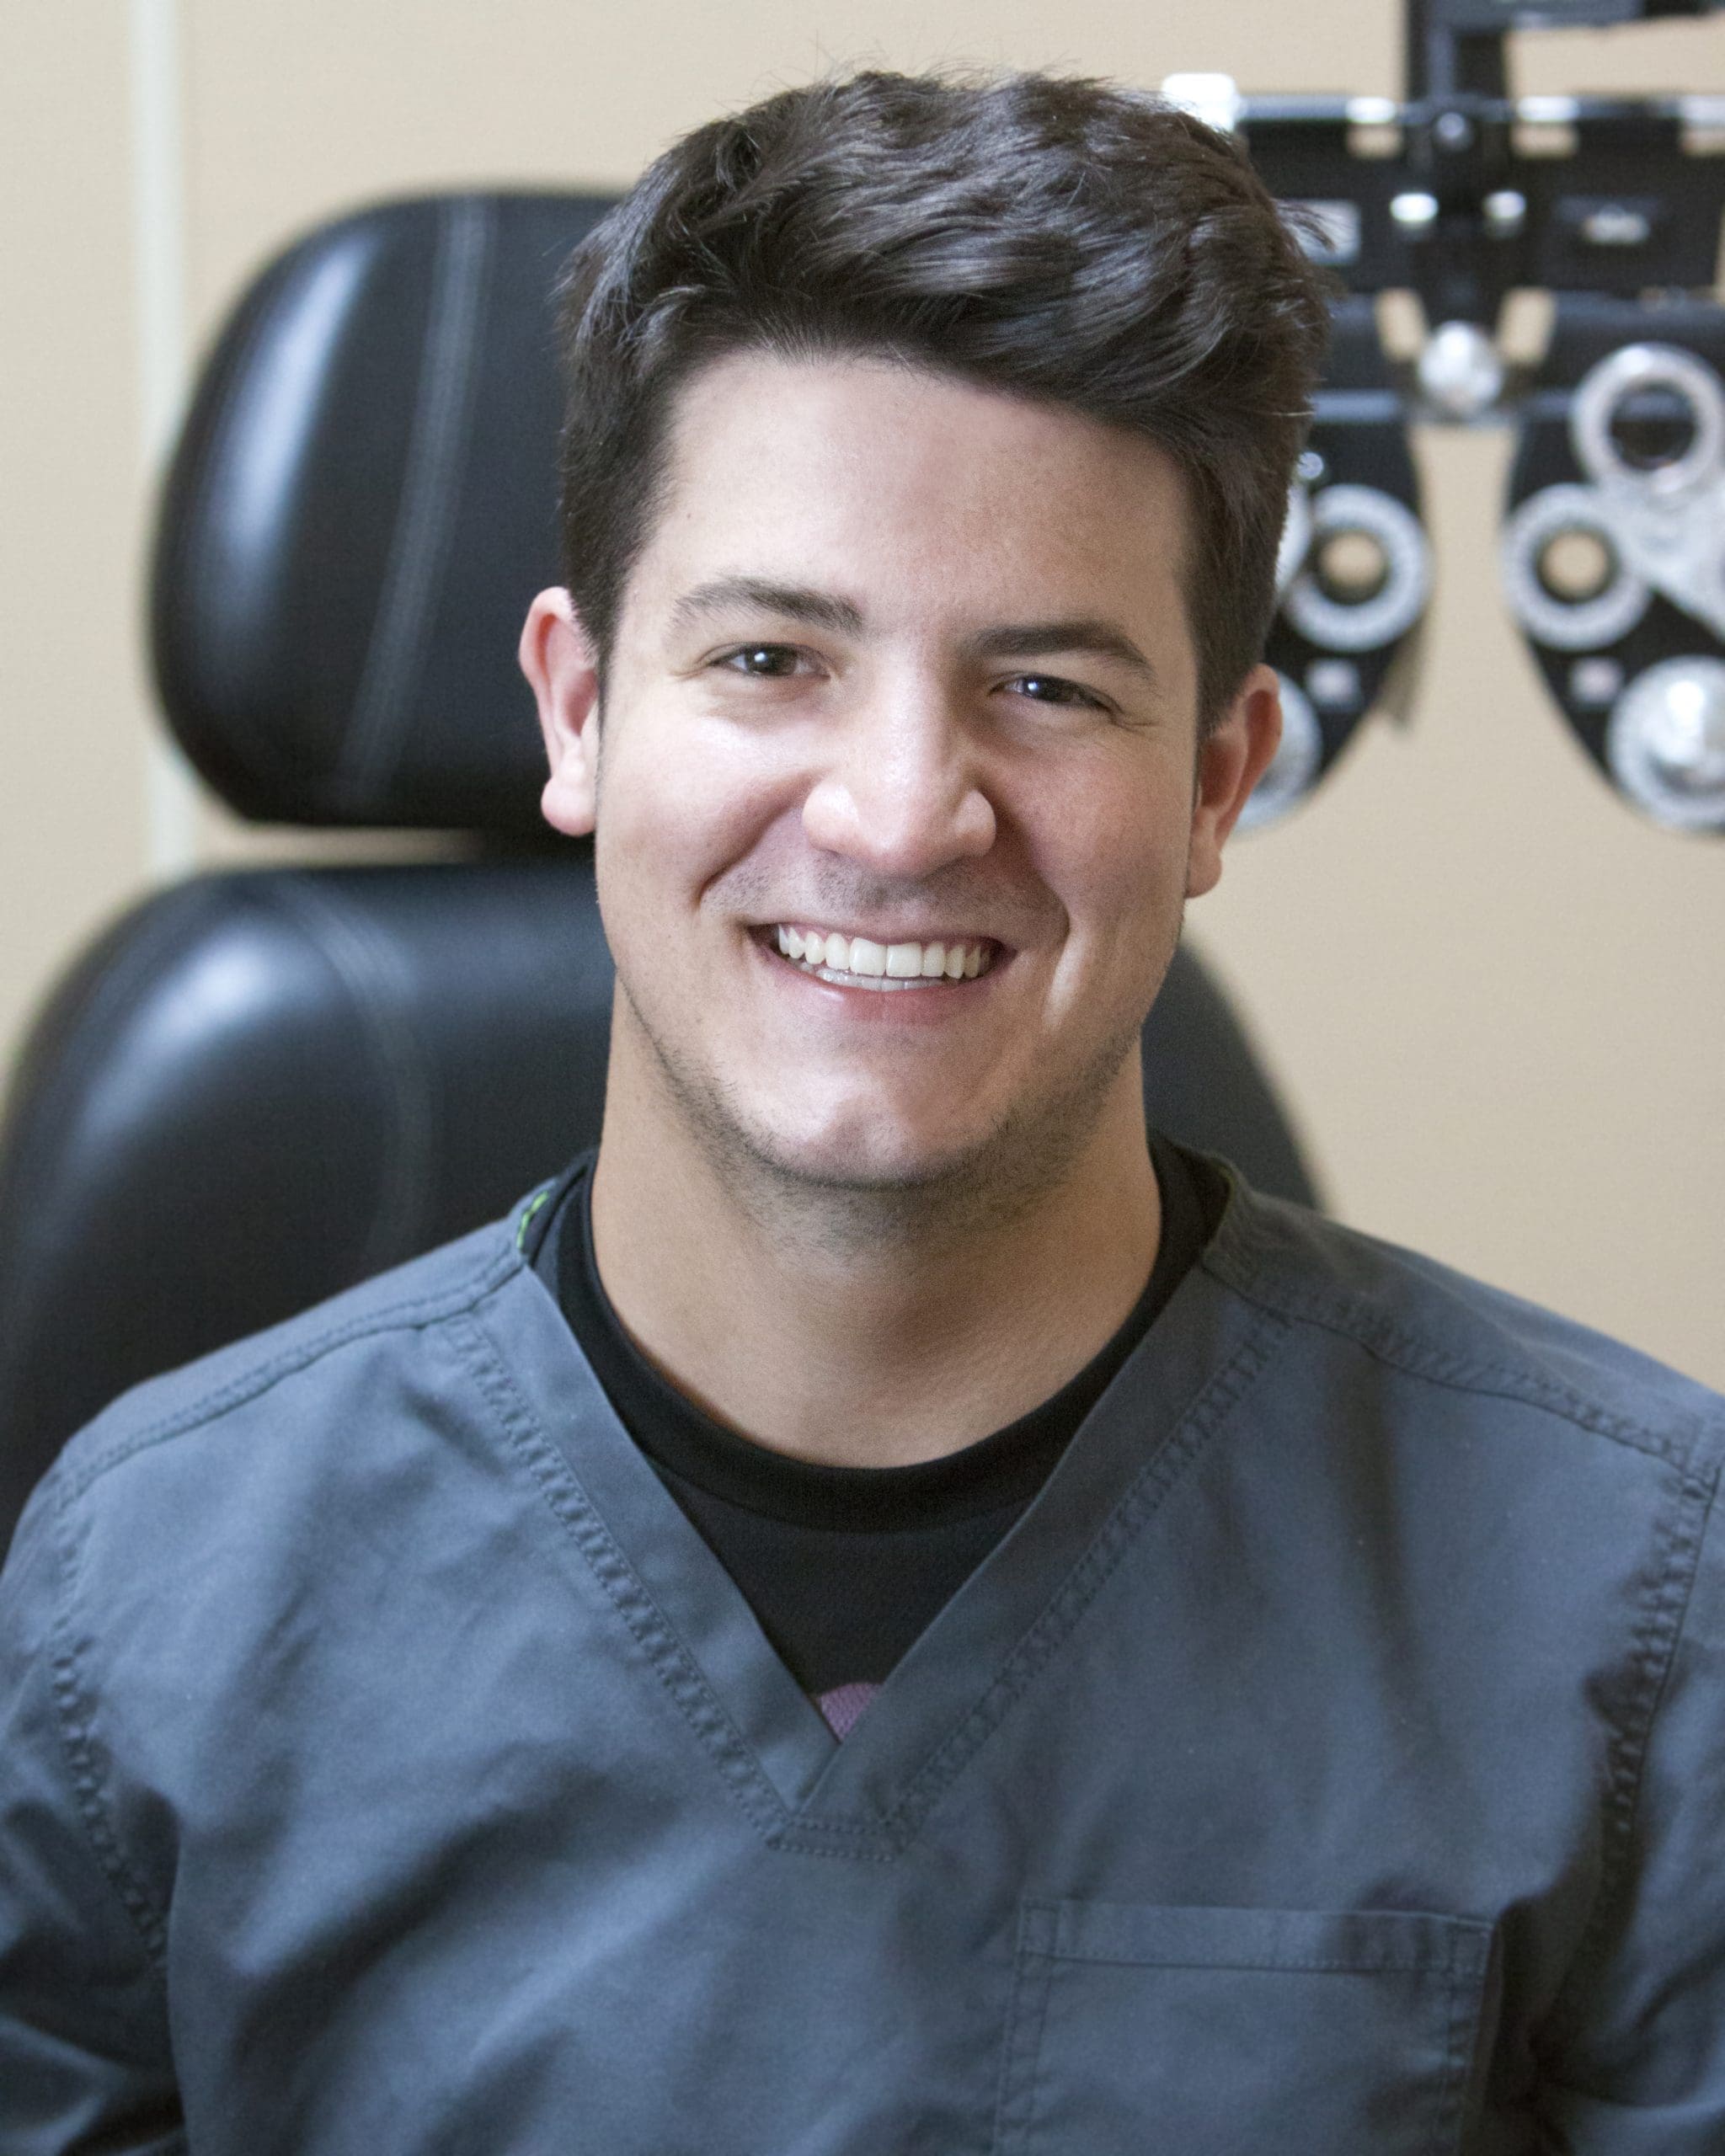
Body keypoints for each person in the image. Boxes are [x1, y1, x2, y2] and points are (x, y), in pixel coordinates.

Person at [3, 67, 1722, 2155]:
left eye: (1049, 685)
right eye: (769, 658)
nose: (901, 812)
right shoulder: (150, 1593)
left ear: (1215, 780)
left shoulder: (1631, 1600)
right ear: (577, 704)